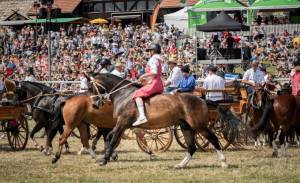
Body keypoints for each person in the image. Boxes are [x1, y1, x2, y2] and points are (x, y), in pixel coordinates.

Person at [132, 44, 164, 126]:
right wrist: (145, 80)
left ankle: (142, 116)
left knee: (137, 94)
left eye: (150, 51)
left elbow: (154, 72)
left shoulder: (153, 59)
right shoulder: (158, 59)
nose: (149, 52)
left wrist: (142, 76)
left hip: (155, 83)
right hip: (158, 83)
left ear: (153, 51)